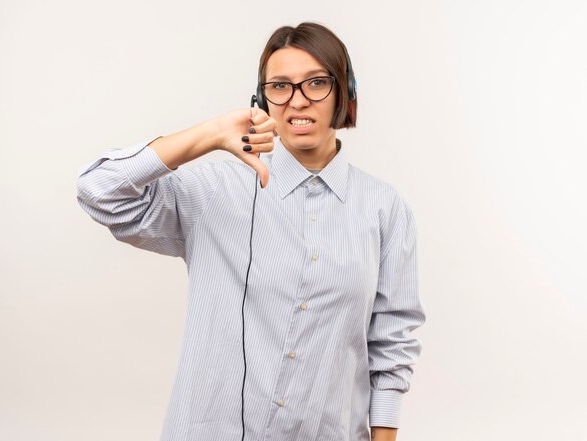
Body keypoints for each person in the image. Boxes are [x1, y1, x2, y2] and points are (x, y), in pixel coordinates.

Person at [77, 22, 425, 441]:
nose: (297, 100)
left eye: (316, 82)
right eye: (280, 86)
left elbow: (390, 348)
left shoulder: (386, 210)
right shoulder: (213, 192)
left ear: (344, 92)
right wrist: (211, 134)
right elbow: (99, 191)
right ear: (261, 99)